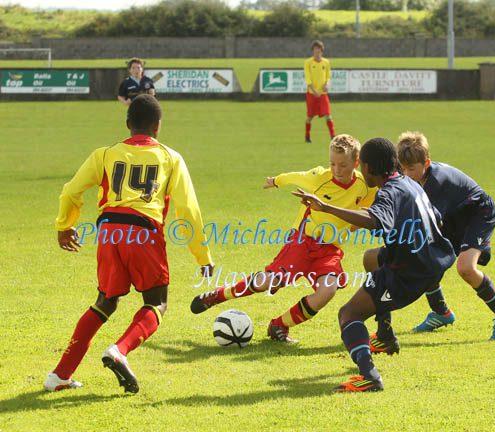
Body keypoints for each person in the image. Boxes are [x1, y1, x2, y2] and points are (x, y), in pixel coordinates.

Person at [43, 95, 214, 393]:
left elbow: (71, 191)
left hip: (109, 232)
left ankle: (59, 375)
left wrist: (65, 225)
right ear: (158, 126)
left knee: (105, 302)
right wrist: (203, 256)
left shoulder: (105, 154)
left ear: (127, 124)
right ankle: (119, 351)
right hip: (143, 233)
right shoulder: (170, 157)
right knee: (156, 303)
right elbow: (188, 211)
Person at [293, 137, 456, 392]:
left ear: (368, 168)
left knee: (348, 314)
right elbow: (436, 219)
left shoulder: (389, 192)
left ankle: (370, 377)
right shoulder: (408, 183)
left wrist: (327, 207)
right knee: (370, 258)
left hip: (409, 272)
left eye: (362, 167)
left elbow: (373, 219)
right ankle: (385, 336)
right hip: (435, 259)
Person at [191, 134, 375, 344]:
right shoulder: (320, 178)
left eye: (342, 165)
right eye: (332, 163)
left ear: (356, 163)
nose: (336, 169)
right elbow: (295, 176)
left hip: (330, 249)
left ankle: (280, 325)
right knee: (269, 282)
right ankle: (218, 296)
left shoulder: (364, 184)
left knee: (327, 290)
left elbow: (368, 206)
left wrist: (354, 224)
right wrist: (276, 181)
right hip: (303, 241)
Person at [368, 132, 495, 348]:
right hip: (452, 216)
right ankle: (441, 313)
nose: (406, 174)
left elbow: (427, 222)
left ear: (426, 163)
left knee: (465, 267)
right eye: (403, 169)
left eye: (412, 169)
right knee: (426, 257)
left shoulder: (437, 183)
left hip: (477, 214)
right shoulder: (411, 178)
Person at [304, 40, 335, 143]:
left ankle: (333, 137)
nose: (317, 51)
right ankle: (307, 137)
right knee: (309, 117)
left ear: (322, 50)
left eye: (319, 49)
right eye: (315, 49)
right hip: (312, 94)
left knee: (328, 116)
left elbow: (328, 76)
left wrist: (327, 84)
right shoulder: (308, 62)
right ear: (313, 50)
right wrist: (313, 90)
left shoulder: (326, 62)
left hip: (322, 94)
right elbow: (308, 78)